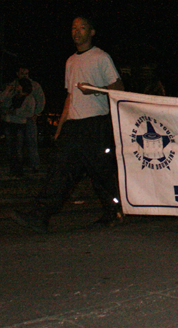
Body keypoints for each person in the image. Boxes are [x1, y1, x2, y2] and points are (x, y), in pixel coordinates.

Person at [12, 16, 124, 233]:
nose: (77, 32)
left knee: (101, 172)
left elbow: (119, 87)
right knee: (59, 169)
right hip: (74, 126)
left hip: (95, 124)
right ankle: (40, 215)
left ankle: (114, 212)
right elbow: (70, 95)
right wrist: (62, 124)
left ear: (91, 32)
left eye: (82, 28)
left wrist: (96, 89)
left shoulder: (101, 57)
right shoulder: (71, 61)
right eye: (74, 28)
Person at [9, 66, 45, 172]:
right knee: (16, 144)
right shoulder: (13, 85)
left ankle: (35, 164)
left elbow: (41, 100)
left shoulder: (34, 85)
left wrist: (36, 113)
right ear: (17, 73)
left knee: (32, 142)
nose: (24, 75)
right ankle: (17, 166)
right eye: (22, 73)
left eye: (26, 73)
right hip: (15, 119)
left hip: (29, 118)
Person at [2, 77, 35, 178]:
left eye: (19, 85)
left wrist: (15, 112)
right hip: (10, 123)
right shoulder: (14, 96)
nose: (17, 87)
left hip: (20, 124)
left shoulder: (29, 98)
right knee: (10, 148)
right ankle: (12, 169)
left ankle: (19, 170)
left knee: (18, 148)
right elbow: (4, 104)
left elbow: (29, 113)